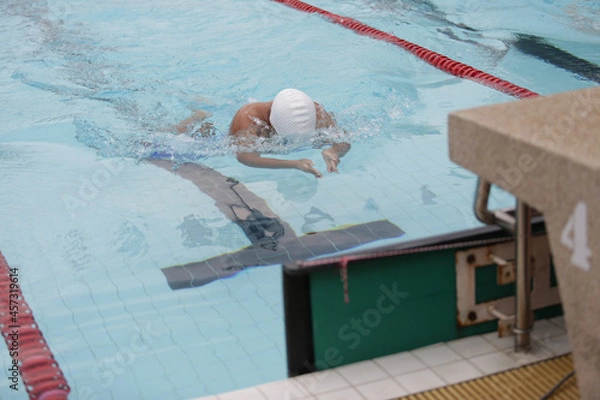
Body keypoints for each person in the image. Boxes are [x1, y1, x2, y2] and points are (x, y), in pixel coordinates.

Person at [228, 89, 351, 178]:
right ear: (272, 122)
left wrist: (335, 151)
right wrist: (293, 164)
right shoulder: (246, 119)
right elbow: (245, 157)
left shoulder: (316, 111)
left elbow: (343, 139)